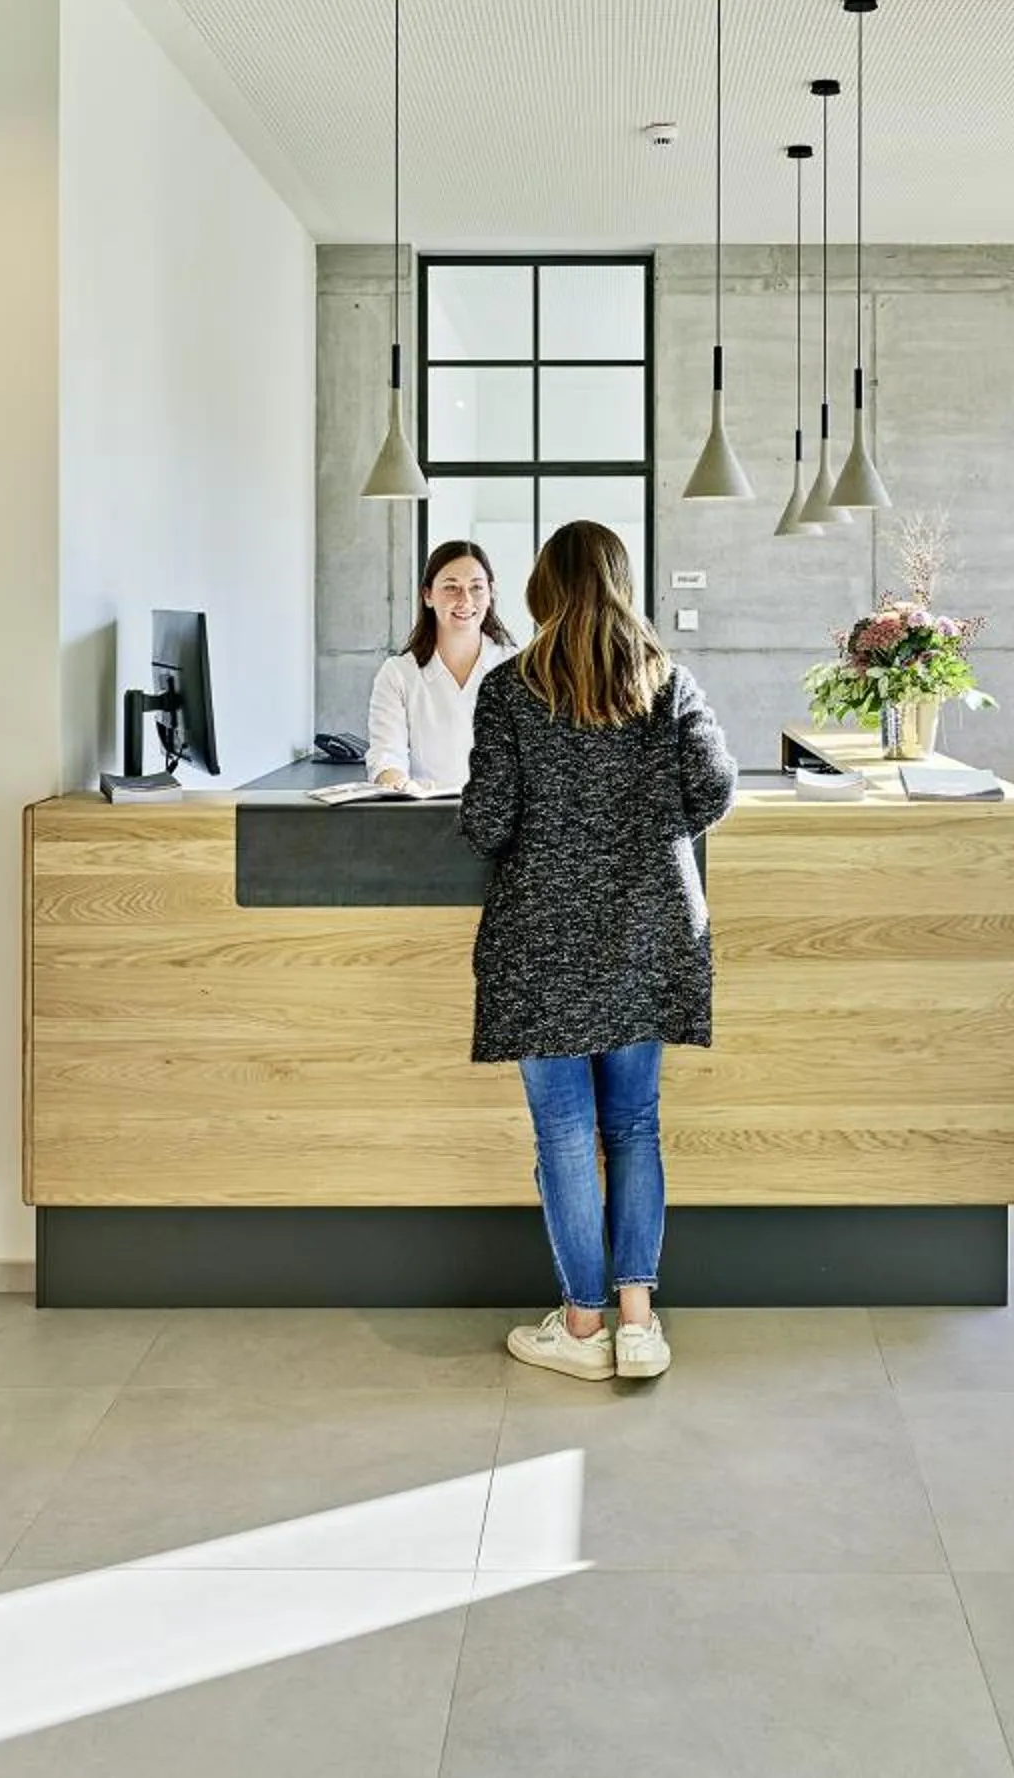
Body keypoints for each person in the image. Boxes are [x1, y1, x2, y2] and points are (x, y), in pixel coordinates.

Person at [459, 520, 738, 1381]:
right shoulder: (668, 681)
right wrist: (642, 822)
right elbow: (714, 791)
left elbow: (487, 824)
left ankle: (581, 1331)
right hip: (648, 935)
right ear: (622, 583)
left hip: (541, 940)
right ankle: (639, 1326)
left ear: (542, 588)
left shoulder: (511, 688)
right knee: (635, 1126)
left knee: (568, 1135)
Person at [364, 540, 518, 796]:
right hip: (424, 821)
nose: (465, 600)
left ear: (490, 594)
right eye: (451, 588)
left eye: (476, 588)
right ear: (427, 595)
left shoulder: (519, 668)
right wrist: (396, 783)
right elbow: (386, 756)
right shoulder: (398, 674)